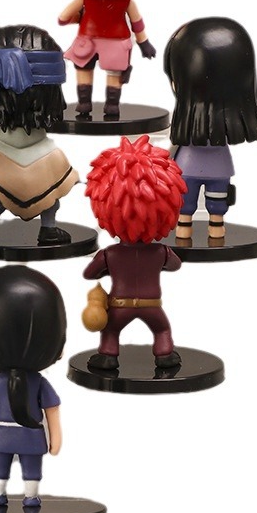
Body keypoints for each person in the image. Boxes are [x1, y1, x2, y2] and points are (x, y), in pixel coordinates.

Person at [82, 135, 186, 369]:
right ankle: (164, 355)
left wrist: (104, 272)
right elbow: (175, 265)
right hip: (152, 305)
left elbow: (90, 274)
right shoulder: (160, 251)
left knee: (111, 331)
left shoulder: (110, 254)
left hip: (120, 305)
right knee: (162, 329)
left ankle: (108, 356)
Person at [0, 24, 78, 246]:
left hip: (0, 150)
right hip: (41, 153)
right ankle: (47, 228)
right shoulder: (45, 118)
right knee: (51, 196)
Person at [0, 266, 65, 507]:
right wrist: (55, 439)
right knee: (30, 469)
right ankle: (29, 497)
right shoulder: (38, 383)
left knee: (0, 466)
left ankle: (0, 494)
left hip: (1, 435)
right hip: (30, 436)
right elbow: (52, 411)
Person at [164, 17, 257, 239]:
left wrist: (166, 159)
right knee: (206, 201)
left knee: (192, 203)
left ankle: (190, 229)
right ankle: (210, 228)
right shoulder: (206, 125)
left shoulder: (187, 126)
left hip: (188, 166)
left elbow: (173, 148)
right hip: (217, 167)